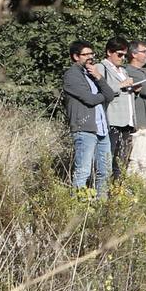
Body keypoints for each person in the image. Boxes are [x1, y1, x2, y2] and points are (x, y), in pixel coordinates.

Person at [60, 40, 119, 196]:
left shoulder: (92, 74)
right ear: (75, 56)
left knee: (105, 172)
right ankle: (76, 207)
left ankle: (102, 207)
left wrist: (99, 77)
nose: (90, 57)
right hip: (84, 128)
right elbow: (90, 99)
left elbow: (110, 94)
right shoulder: (71, 76)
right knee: (83, 171)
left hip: (102, 128)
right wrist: (103, 95)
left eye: (91, 53)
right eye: (86, 54)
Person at [102, 39, 146, 180]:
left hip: (128, 122)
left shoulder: (123, 70)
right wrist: (121, 85)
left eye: (124, 55)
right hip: (115, 120)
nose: (123, 58)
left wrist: (133, 89)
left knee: (123, 159)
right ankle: (110, 189)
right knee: (114, 158)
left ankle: (119, 188)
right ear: (109, 52)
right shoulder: (103, 68)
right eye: (120, 55)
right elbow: (103, 91)